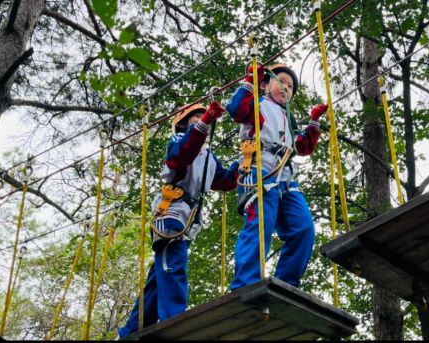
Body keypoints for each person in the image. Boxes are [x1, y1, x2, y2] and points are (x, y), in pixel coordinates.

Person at [118, 101, 238, 338]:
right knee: (173, 265)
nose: (205, 122)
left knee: (158, 278)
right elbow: (181, 156)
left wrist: (243, 164)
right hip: (171, 213)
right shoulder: (178, 142)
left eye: (207, 120)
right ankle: (174, 319)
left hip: (188, 219)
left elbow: (225, 181)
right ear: (183, 123)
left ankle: (132, 330)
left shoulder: (209, 157)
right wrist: (204, 122)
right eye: (197, 118)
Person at [226, 62, 328, 290]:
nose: (286, 88)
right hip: (259, 165)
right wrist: (250, 81)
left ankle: (286, 283)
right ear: (265, 85)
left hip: (285, 174)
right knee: (261, 220)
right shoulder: (258, 105)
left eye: (290, 87)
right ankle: (245, 283)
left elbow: (302, 147)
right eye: (281, 82)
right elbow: (236, 110)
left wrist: (313, 122)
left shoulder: (288, 118)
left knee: (303, 228)